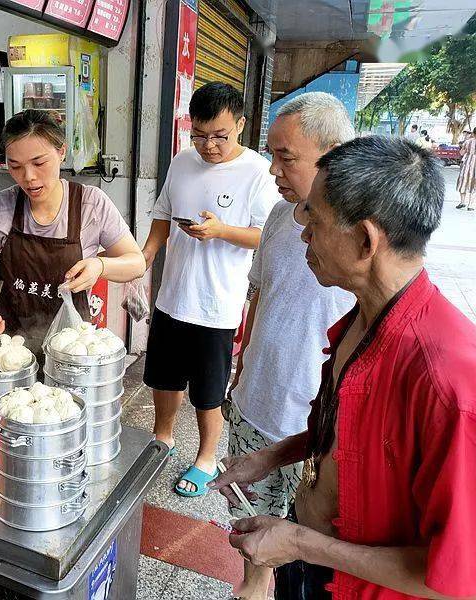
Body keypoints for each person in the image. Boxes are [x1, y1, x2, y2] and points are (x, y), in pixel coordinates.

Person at [212, 136, 476, 599]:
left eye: (314, 218)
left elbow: (454, 580)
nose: (303, 233)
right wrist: (273, 455)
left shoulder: (448, 382)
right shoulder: (363, 316)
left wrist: (298, 542)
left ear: (365, 239)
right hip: (311, 560)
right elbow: (345, 435)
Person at [225, 92, 355, 600]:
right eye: (271, 153)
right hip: (256, 398)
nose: (273, 169)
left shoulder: (356, 238)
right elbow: (259, 294)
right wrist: (243, 359)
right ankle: (253, 586)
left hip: (311, 420)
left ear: (334, 155)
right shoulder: (280, 216)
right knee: (250, 525)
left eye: (287, 157)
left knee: (304, 539)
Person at [141, 82, 280, 497]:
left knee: (208, 391)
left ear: (239, 124)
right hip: (172, 297)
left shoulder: (257, 172)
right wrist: (142, 260)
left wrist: (221, 230)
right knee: (163, 380)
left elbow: (265, 235)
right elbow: (163, 217)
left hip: (217, 306)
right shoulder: (182, 162)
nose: (208, 145)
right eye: (199, 135)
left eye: (219, 135)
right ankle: (161, 440)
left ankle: (205, 458)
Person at [0, 110, 145, 353]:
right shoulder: (3, 207)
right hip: (10, 346)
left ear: (61, 151)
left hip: (71, 349)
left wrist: (100, 266)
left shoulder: (90, 204)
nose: (28, 177)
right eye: (15, 166)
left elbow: (136, 263)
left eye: (39, 163)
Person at [456, 129, 476, 210]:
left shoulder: (467, 141)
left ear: (473, 133)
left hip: (467, 165)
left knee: (463, 182)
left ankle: (462, 202)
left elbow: (461, 153)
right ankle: (470, 205)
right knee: (474, 185)